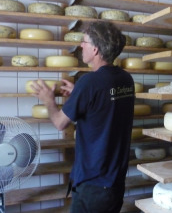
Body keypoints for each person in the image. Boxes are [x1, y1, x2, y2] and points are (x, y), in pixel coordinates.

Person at [31, 21, 135, 213]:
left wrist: (49, 101)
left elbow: (60, 123)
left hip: (93, 183)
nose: (81, 45)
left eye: (84, 41)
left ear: (95, 49)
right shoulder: (125, 79)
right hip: (115, 180)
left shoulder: (89, 83)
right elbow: (104, 109)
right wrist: (79, 94)